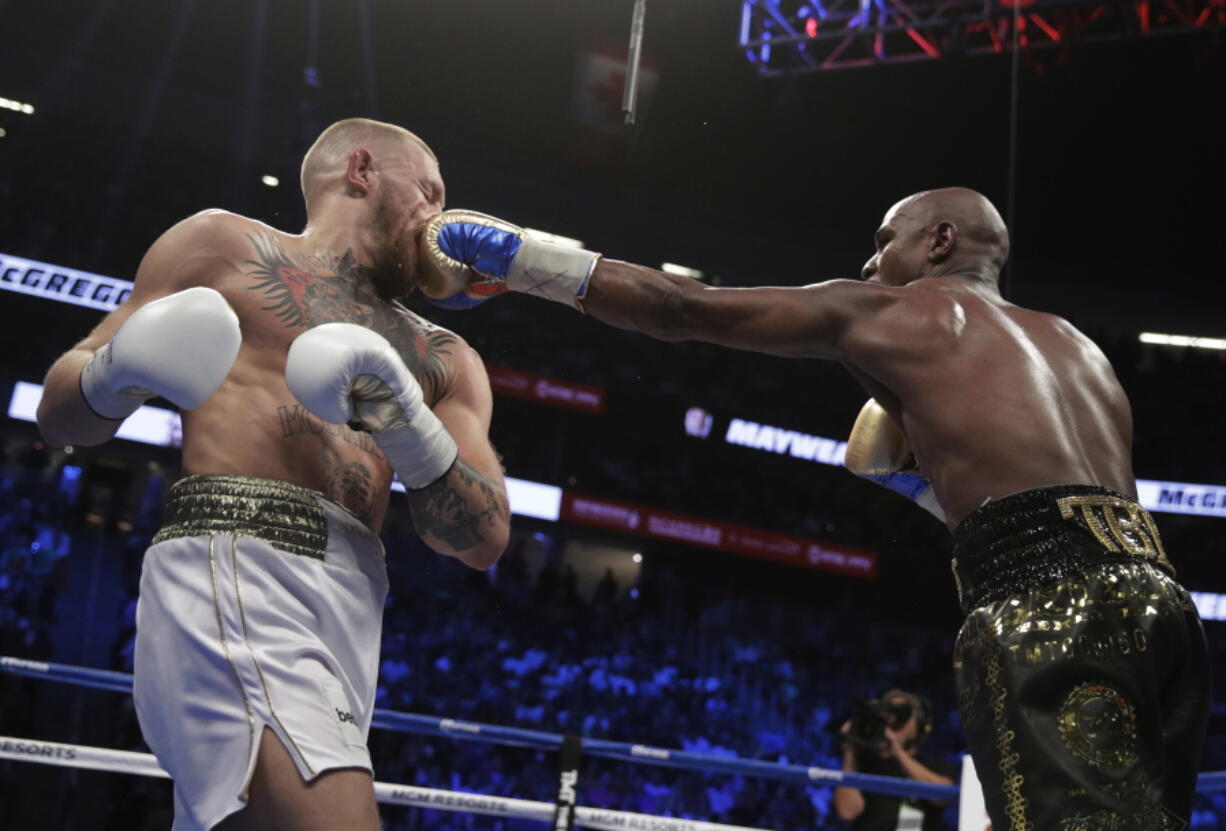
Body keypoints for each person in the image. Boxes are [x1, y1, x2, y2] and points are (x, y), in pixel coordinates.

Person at [416, 189, 1211, 830]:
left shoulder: (892, 311)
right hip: (1162, 603)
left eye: (884, 238)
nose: (871, 260)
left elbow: (682, 308)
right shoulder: (1078, 345)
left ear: (937, 241)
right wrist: (927, 492)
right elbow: (1066, 513)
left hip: (1045, 609)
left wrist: (527, 259)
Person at [35, 118, 511, 831]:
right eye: (430, 192)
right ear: (361, 170)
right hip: (237, 565)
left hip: (353, 608)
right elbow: (58, 415)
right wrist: (117, 370)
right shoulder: (224, 246)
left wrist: (408, 422)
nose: (440, 218)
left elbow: (483, 537)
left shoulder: (444, 356)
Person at [834, 690, 955, 831]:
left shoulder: (934, 765)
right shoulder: (864, 764)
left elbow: (942, 797)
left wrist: (898, 752)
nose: (894, 719)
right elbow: (847, 812)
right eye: (889, 712)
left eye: (903, 713)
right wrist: (850, 749)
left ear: (919, 723)